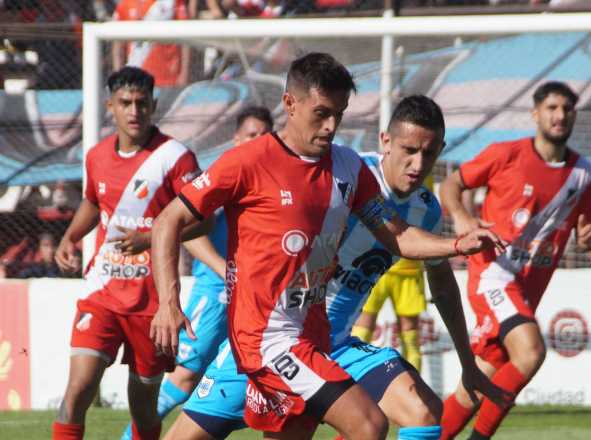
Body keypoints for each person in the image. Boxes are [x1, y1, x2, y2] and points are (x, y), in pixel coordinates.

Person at [149, 53, 502, 440]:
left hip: (320, 340)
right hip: (264, 339)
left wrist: (456, 243)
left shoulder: (349, 169)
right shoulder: (247, 162)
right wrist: (169, 302)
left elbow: (397, 235)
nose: (332, 126)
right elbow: (169, 220)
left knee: (415, 412)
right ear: (290, 104)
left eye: (340, 113)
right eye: (321, 113)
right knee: (368, 424)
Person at [437, 81, 591, 439]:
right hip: (492, 274)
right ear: (535, 113)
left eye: (567, 109)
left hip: (525, 290)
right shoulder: (505, 154)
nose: (560, 115)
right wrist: (462, 217)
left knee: (475, 388)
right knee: (530, 351)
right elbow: (451, 184)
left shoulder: (584, 175)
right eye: (552, 108)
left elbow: (588, 232)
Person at [50, 66, 203, 440]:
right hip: (102, 291)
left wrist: (150, 238)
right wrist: (70, 237)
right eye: (125, 103)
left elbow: (204, 221)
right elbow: (92, 202)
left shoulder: (175, 157)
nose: (134, 111)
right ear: (110, 107)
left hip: (153, 302)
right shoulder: (97, 156)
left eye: (141, 103)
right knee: (78, 390)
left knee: (144, 405)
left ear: (154, 105)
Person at [118, 105, 275, 440]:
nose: (258, 140)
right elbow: (190, 230)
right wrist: (225, 270)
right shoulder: (226, 177)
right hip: (216, 297)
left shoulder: (271, 180)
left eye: (264, 135)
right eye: (251, 134)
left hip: (253, 303)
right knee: (184, 378)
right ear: (236, 138)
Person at [350, 175, 435, 372]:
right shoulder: (379, 172)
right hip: (382, 266)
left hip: (401, 268)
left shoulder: (416, 172)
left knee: (406, 338)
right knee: (367, 331)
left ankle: (412, 388)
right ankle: (357, 383)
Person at [111, 0, 195, 87]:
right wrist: (119, 77)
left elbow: (186, 40)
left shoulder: (172, 2)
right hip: (136, 80)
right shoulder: (126, 3)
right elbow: (118, 46)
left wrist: (184, 73)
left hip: (168, 79)